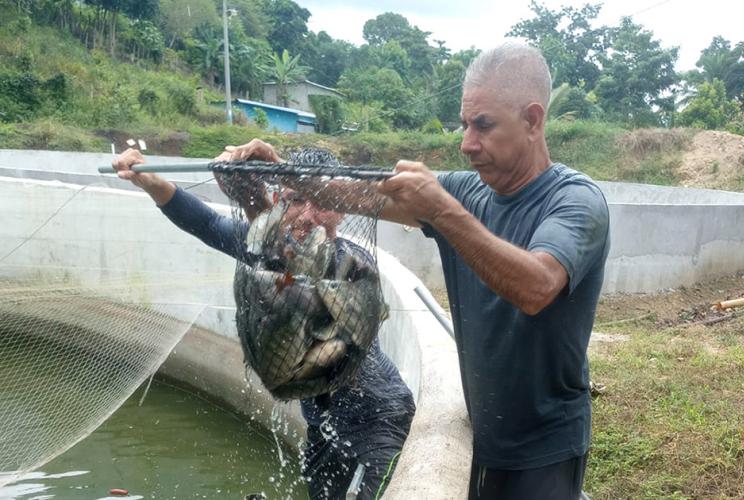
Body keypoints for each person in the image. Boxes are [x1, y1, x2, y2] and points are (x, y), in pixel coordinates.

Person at [221, 42, 609, 500]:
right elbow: (354, 194)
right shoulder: (470, 190)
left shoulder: (575, 201)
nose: (467, 143)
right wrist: (278, 171)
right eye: (464, 124)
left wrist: (443, 212)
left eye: (483, 126)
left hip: (545, 443)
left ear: (533, 120)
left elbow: (536, 286)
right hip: (483, 430)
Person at [112, 146, 415, 500]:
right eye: (296, 200)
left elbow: (300, 273)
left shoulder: (352, 264)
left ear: (343, 210)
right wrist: (151, 182)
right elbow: (207, 223)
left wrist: (255, 201)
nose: (307, 215)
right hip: (323, 426)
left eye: (321, 200)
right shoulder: (263, 244)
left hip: (379, 420)